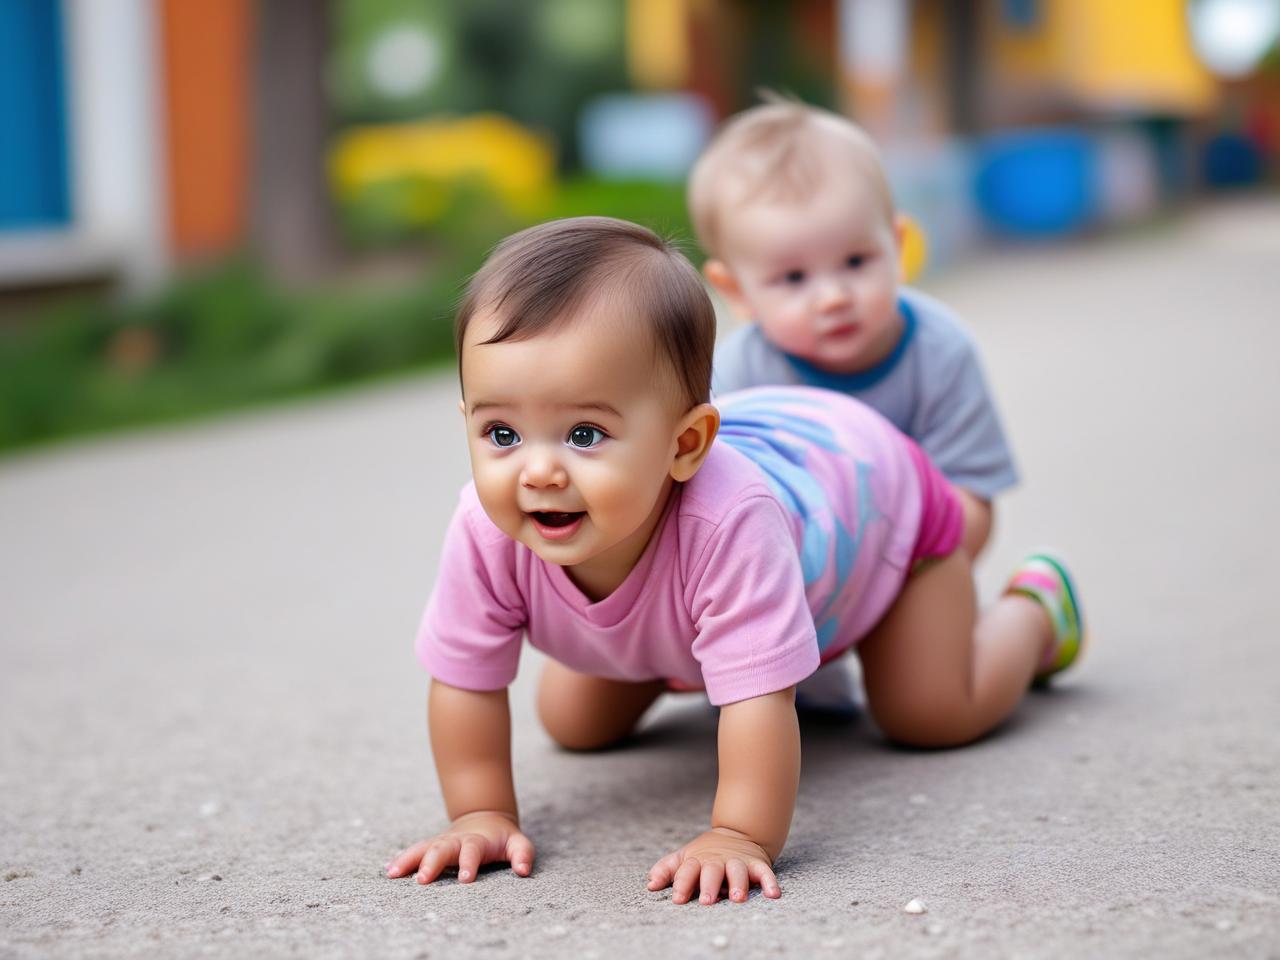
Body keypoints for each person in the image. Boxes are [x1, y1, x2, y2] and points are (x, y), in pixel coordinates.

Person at [385, 217, 1084, 906]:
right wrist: (480, 813)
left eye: (585, 433)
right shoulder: (485, 525)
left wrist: (739, 833)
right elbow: (463, 679)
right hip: (703, 580)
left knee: (929, 714)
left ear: (685, 446)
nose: (537, 471)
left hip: (878, 509)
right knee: (575, 722)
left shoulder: (730, 519)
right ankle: (711, 648)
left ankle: (1035, 612)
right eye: (501, 433)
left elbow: (755, 706)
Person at [690, 98, 1016, 560]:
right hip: (796, 577)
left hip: (918, 568)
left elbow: (974, 505)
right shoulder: (734, 378)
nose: (833, 297)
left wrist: (881, 567)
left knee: (951, 637)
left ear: (898, 248)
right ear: (737, 291)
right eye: (794, 278)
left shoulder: (940, 351)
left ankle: (1033, 616)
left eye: (856, 262)